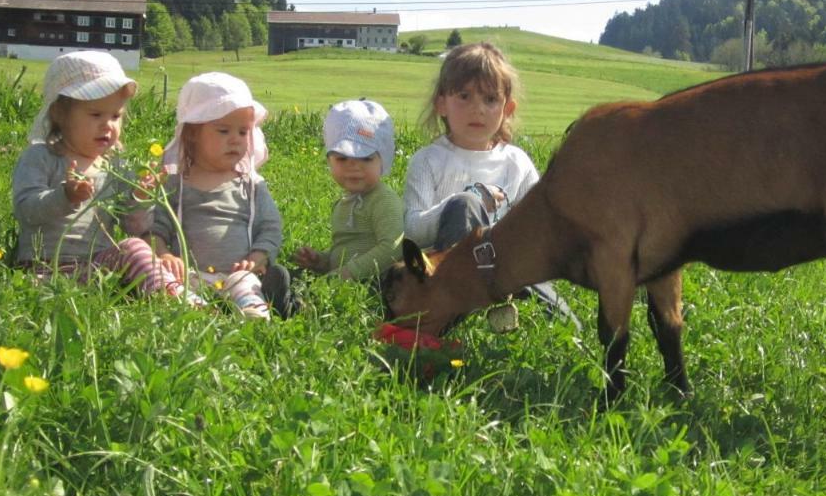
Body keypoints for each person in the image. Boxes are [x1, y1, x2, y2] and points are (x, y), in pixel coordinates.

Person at [403, 42, 578, 327]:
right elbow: (412, 230)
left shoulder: (516, 162)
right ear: (441, 103)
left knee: (565, 325)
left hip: (508, 271)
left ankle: (562, 335)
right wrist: (466, 200)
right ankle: (457, 316)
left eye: (490, 99)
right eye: (464, 96)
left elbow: (540, 226)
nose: (478, 110)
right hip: (449, 271)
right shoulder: (428, 161)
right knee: (465, 205)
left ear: (507, 108)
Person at [12, 50, 196, 302]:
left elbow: (134, 227)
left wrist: (140, 198)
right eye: (96, 114)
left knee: (134, 247)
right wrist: (65, 196)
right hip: (44, 268)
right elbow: (26, 210)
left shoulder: (114, 167)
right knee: (36, 287)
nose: (108, 125)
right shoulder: (41, 156)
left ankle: (179, 299)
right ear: (59, 115)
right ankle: (170, 295)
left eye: (116, 116)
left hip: (98, 268)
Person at [149, 73, 294, 320]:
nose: (235, 140)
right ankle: (196, 308)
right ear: (193, 133)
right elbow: (156, 227)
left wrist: (258, 257)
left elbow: (270, 227)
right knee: (168, 281)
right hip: (189, 273)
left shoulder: (251, 185)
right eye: (224, 131)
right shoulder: (176, 183)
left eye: (243, 131)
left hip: (237, 271)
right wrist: (164, 253)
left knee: (245, 283)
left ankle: (253, 308)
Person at [294, 99, 404, 282]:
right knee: (291, 278)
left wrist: (347, 274)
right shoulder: (343, 204)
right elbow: (346, 252)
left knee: (300, 292)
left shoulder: (383, 199)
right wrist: (321, 261)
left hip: (377, 284)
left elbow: (393, 248)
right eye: (342, 159)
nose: (353, 167)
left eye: (366, 158)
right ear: (329, 160)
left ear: (383, 159)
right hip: (345, 282)